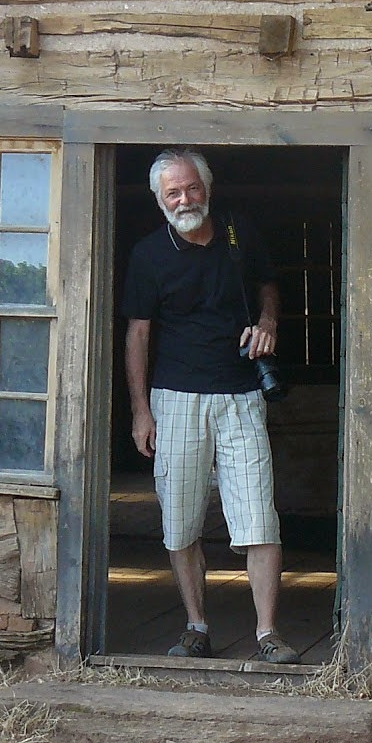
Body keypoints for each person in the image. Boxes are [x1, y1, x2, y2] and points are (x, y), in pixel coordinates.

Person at [122, 148, 299, 664]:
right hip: (175, 400)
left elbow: (268, 285)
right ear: (159, 200)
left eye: (191, 188)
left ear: (207, 188)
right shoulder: (149, 255)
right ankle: (196, 624)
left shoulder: (239, 233)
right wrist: (140, 409)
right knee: (179, 520)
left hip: (242, 397)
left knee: (258, 518)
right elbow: (137, 333)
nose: (185, 199)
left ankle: (268, 633)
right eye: (173, 192)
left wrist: (268, 324)